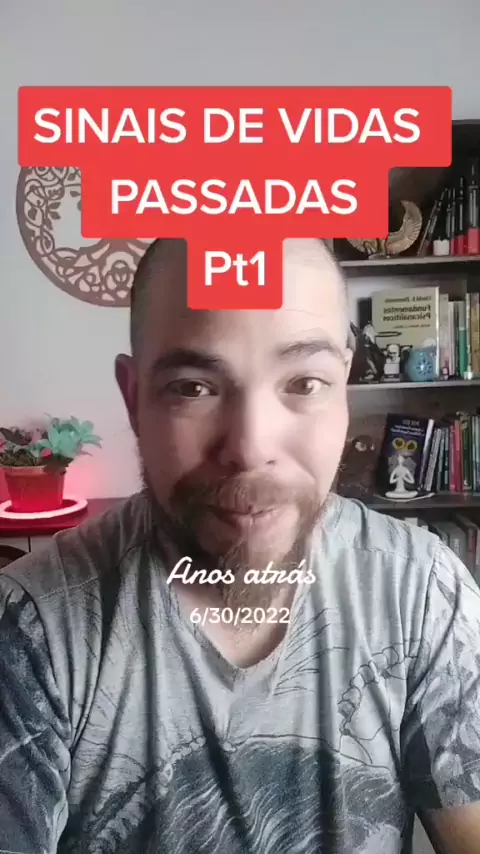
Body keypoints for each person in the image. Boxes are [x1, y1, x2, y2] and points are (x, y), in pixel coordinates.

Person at [1, 238, 480, 854]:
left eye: (304, 382)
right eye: (193, 387)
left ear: (345, 381)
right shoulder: (31, 631)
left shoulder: (423, 593)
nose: (251, 447)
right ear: (133, 397)